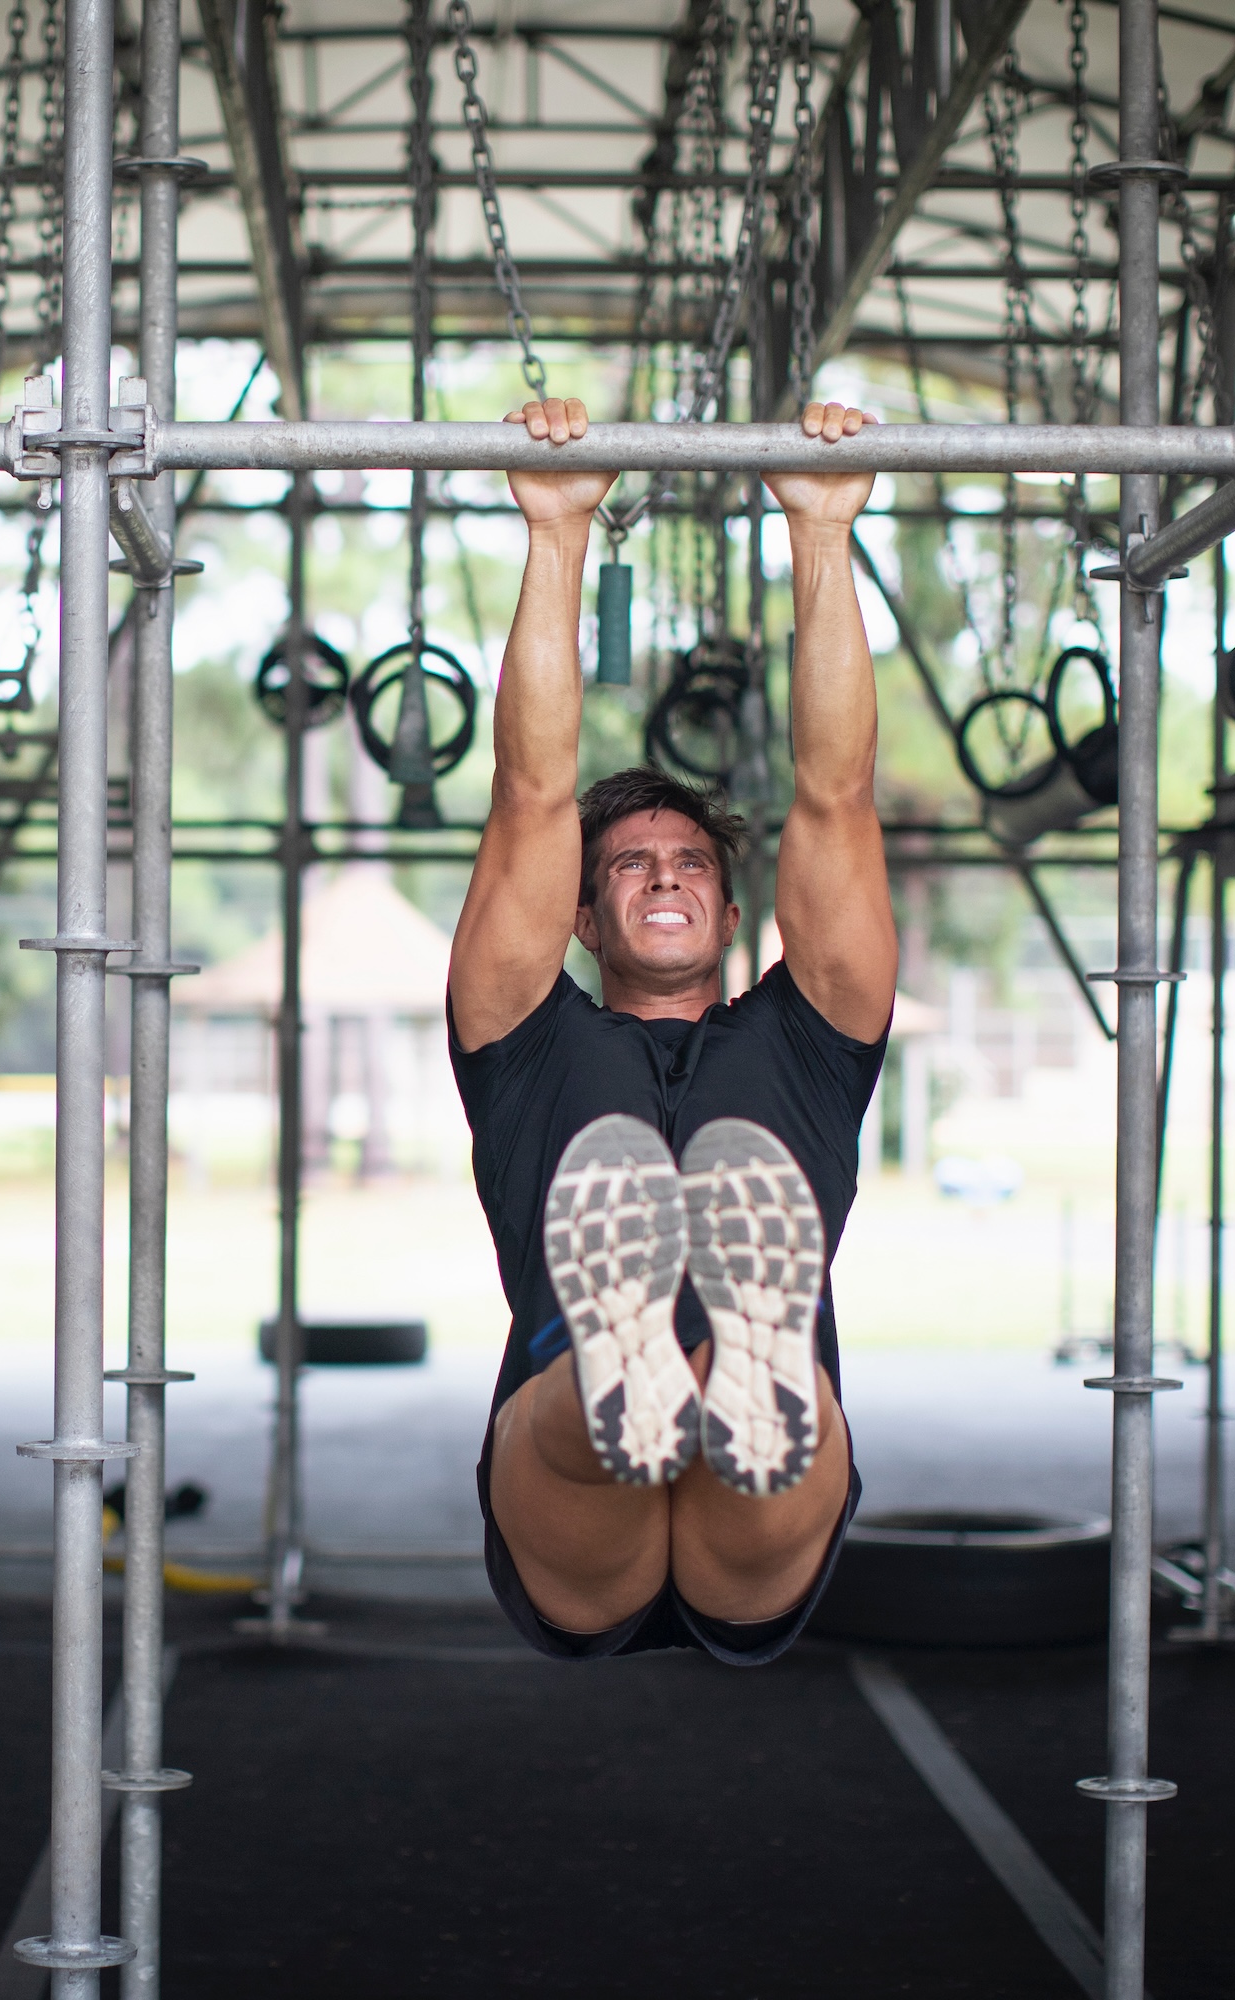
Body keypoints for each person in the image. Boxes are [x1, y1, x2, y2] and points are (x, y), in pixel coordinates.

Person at [448, 395, 895, 1663]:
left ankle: (719, 1372)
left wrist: (822, 531)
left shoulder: (809, 1038)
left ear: (738, 908)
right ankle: (651, 1371)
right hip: (571, 1503)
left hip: (760, 1513)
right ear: (580, 918)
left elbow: (837, 797)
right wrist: (556, 529)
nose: (660, 877)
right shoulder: (525, 1040)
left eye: (689, 861)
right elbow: (531, 796)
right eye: (628, 865)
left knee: (751, 1413)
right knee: (588, 1413)